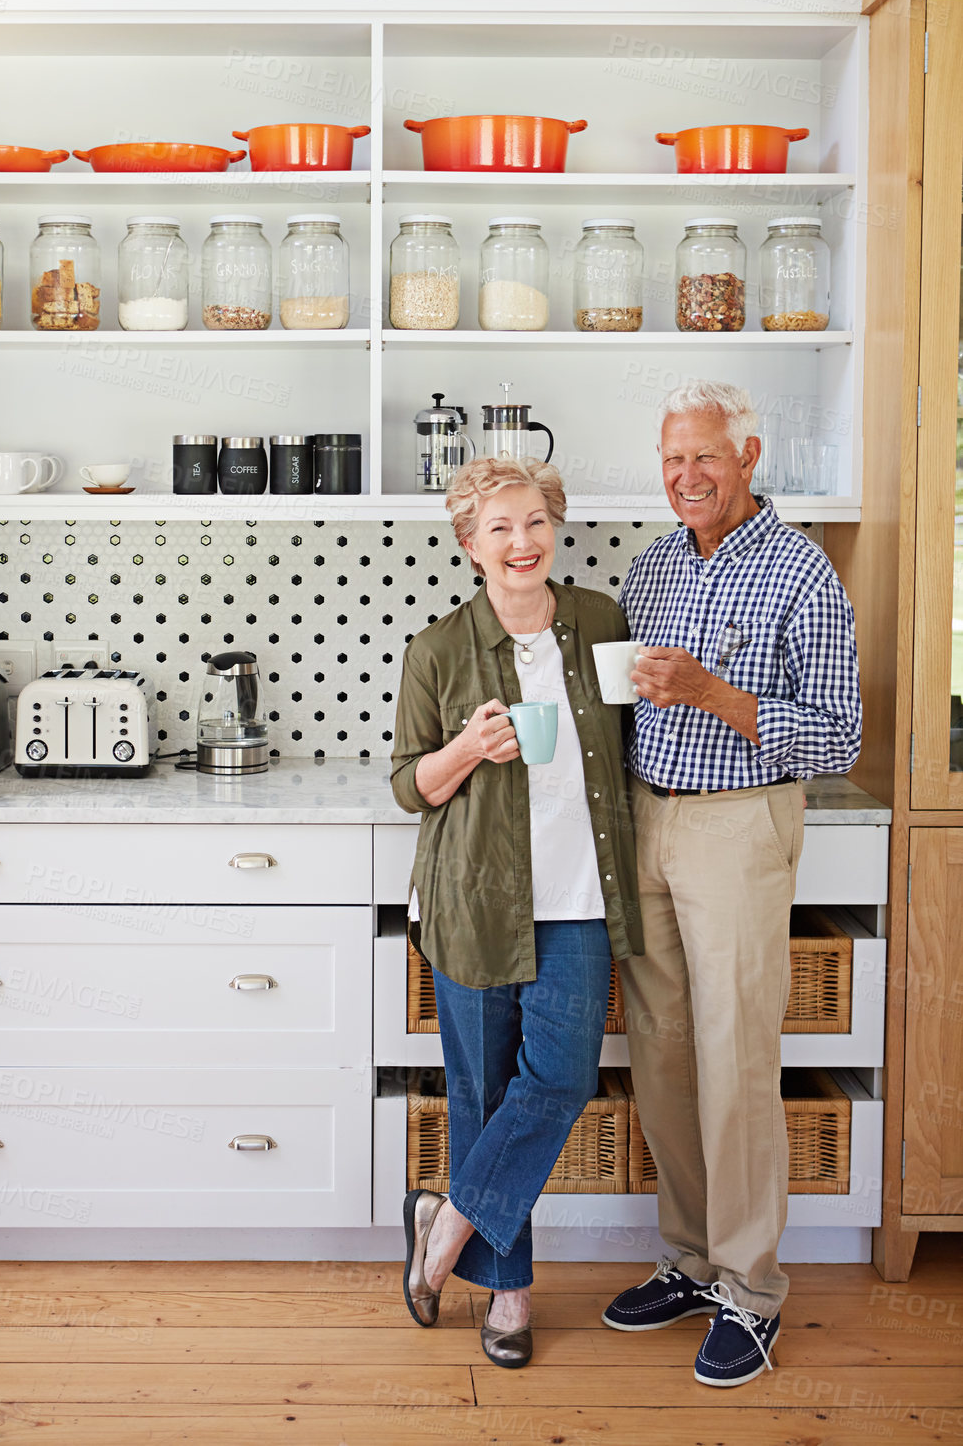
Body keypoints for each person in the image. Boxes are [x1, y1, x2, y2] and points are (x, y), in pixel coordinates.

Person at [601, 380, 861, 1388]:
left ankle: (750, 1290)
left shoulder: (801, 572)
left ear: (748, 455)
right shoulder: (652, 565)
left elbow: (834, 734)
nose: (685, 477)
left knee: (735, 1055)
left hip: (737, 824)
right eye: (671, 459)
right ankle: (690, 1258)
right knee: (659, 1051)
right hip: (647, 818)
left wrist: (711, 690)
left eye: (703, 457)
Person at [391, 455, 642, 1369]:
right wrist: (464, 749)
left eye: (534, 522)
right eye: (497, 528)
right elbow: (408, 787)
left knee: (561, 1081)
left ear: (555, 527)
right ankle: (510, 1291)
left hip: (579, 898)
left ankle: (448, 1219)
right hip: (474, 902)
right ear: (469, 546)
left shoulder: (599, 622)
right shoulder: (438, 650)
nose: (520, 542)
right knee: (481, 1093)